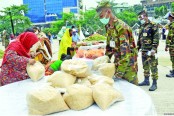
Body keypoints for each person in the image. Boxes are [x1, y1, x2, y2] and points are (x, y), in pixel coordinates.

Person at [96, 0, 138, 85]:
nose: (100, 19)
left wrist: (118, 74)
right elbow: (109, 48)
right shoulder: (108, 26)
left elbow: (126, 55)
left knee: (131, 93)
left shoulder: (122, 28)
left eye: (101, 16)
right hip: (117, 64)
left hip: (129, 68)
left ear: (108, 12)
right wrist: (104, 63)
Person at [137, 10, 159, 91]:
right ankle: (146, 80)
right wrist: (138, 48)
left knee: (153, 66)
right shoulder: (142, 26)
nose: (140, 18)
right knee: (145, 66)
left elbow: (156, 37)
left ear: (145, 16)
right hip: (143, 50)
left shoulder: (153, 25)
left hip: (151, 50)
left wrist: (154, 48)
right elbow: (140, 38)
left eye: (141, 17)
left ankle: (154, 83)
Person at [165, 12, 174, 78]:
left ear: (171, 17)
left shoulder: (172, 25)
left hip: (172, 45)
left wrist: (167, 44)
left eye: (168, 16)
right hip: (172, 44)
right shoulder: (171, 24)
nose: (167, 17)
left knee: (173, 58)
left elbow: (170, 35)